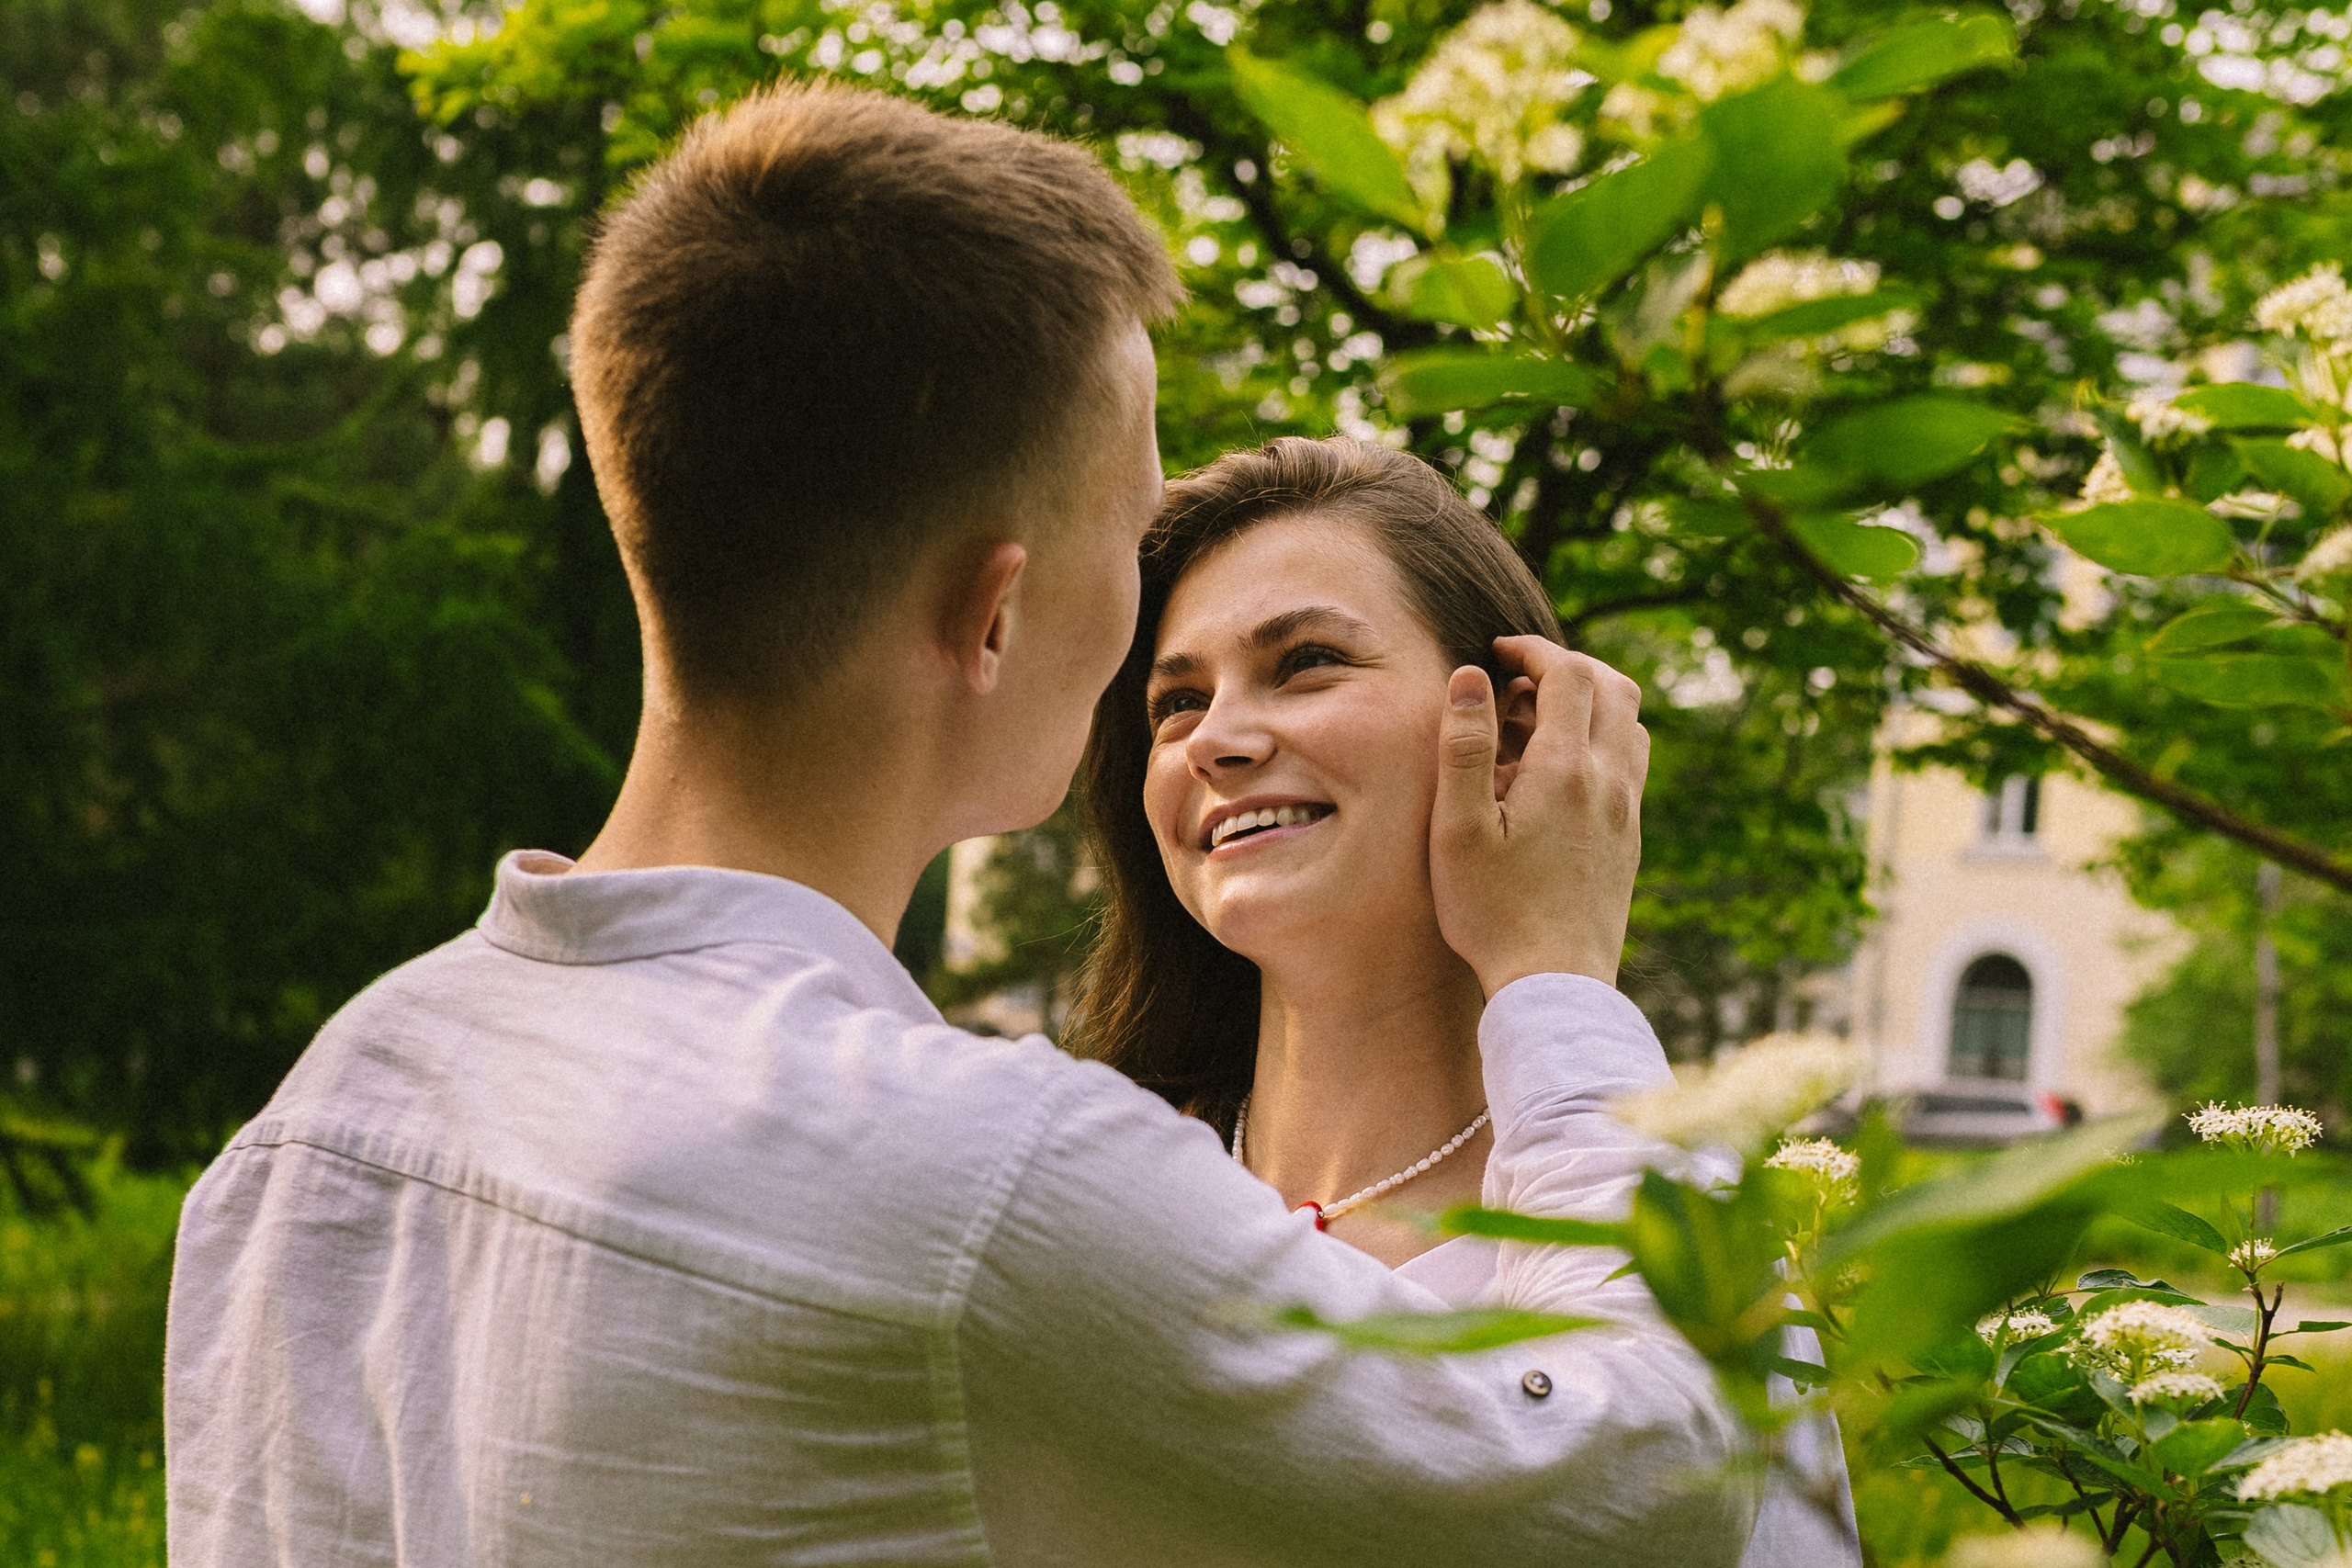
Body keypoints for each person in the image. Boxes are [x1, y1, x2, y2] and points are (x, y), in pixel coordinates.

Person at [164, 83, 1751, 1566]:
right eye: (1128, 539)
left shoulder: (313, 1128)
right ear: (994, 615)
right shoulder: (996, 1183)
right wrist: (1562, 986)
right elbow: (1653, 1488)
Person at [1075, 434, 1861, 1566]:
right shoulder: (1088, 1188)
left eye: (1303, 661)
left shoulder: (1682, 1225)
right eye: (1176, 701)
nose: (1219, 742)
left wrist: (1554, 965)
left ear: (1515, 728)